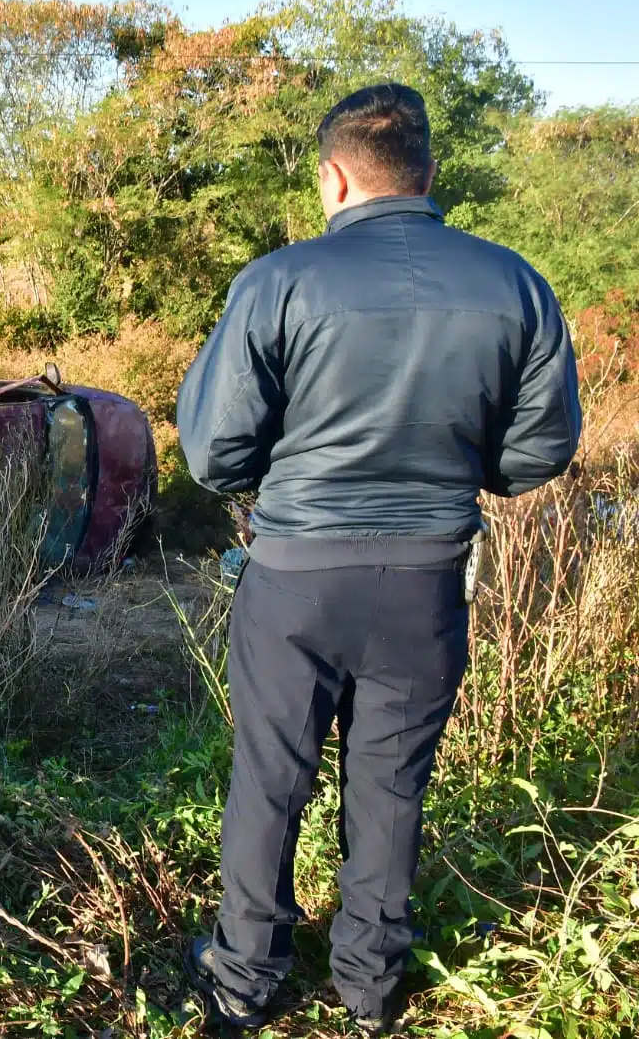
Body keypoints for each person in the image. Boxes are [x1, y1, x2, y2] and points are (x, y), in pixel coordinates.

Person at [175, 84, 581, 1033]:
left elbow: (213, 453)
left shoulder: (278, 281)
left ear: (335, 175)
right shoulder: (515, 283)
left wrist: (293, 474)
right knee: (393, 781)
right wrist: (456, 468)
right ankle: (368, 988)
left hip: (296, 577)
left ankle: (245, 978)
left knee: (271, 776)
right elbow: (540, 450)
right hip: (427, 574)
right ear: (429, 175)